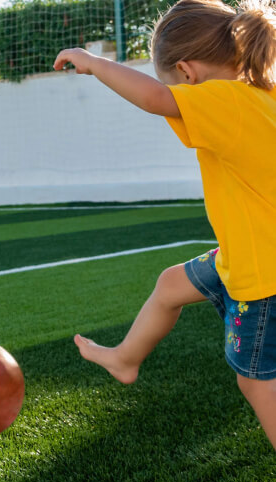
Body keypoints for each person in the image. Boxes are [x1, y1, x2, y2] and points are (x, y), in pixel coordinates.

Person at [53, 0, 276, 449]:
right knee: (172, 284)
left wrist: (95, 63)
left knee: (257, 382)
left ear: (187, 72)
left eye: (173, 83)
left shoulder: (225, 97)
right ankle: (124, 359)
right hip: (247, 251)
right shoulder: (261, 94)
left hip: (264, 270)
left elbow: (156, 100)